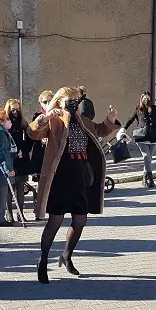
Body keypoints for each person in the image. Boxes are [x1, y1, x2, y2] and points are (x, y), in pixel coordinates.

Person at [29, 87, 119, 283]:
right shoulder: (54, 121)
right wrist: (44, 118)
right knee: (56, 220)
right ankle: (43, 260)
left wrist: (110, 119)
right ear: (60, 101)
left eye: (76, 100)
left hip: (79, 177)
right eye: (69, 100)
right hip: (60, 177)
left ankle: (66, 255)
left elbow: (100, 130)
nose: (73, 103)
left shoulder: (83, 121)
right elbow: (33, 133)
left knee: (80, 221)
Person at [123, 91, 156, 187]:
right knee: (146, 156)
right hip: (141, 137)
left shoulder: (154, 108)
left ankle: (144, 178)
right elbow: (130, 119)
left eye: (148, 98)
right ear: (141, 99)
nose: (146, 100)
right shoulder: (137, 108)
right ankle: (150, 178)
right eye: (144, 98)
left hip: (153, 137)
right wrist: (124, 128)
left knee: (149, 159)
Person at [5, 99, 34, 221]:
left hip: (22, 159)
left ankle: (20, 213)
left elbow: (30, 140)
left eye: (17, 108)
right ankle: (9, 212)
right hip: (10, 159)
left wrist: (24, 151)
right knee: (9, 187)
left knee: (20, 187)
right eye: (12, 109)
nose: (15, 111)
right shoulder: (5, 124)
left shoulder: (24, 124)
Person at [31, 90, 53, 220]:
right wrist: (41, 138)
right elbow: (33, 131)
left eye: (50, 100)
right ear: (41, 103)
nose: (48, 103)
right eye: (45, 102)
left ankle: (52, 209)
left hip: (54, 152)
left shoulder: (59, 115)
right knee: (41, 182)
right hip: (42, 153)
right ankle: (39, 211)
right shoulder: (38, 116)